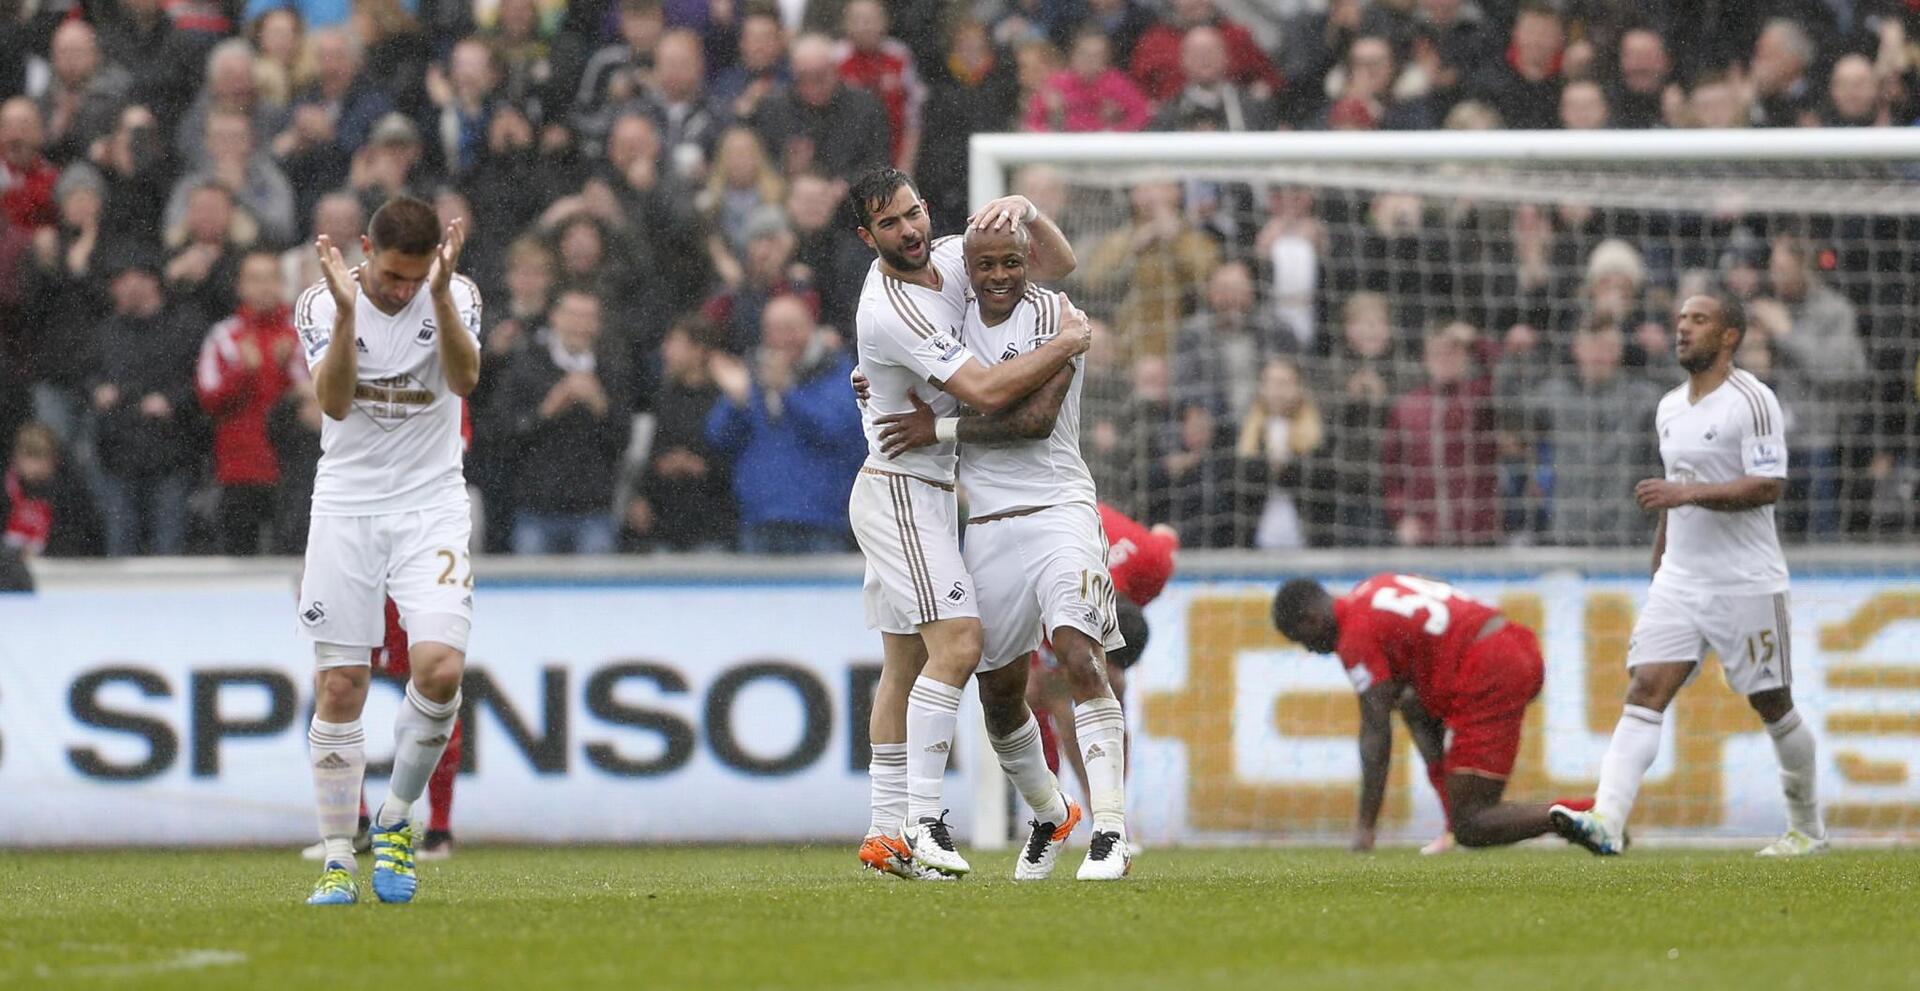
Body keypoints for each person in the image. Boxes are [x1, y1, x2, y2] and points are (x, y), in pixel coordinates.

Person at [844, 166, 1084, 880]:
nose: (910, 231)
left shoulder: (950, 255)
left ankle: (886, 832)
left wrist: (1029, 212)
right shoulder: (891, 307)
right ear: (868, 236)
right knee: (961, 643)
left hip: (926, 485)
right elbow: (982, 389)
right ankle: (923, 822)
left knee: (905, 664)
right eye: (890, 224)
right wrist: (1066, 343)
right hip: (902, 489)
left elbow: (1060, 263)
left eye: (913, 213)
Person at [871, 224, 1130, 880]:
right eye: (985, 264)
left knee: (1077, 651)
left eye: (1011, 262)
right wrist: (870, 378)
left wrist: (944, 424)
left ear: (1028, 261)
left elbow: (1034, 418)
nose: (997, 276)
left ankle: (1112, 832)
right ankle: (1049, 813)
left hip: (1058, 509)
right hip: (985, 522)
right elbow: (904, 364)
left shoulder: (1056, 315)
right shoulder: (949, 318)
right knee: (999, 692)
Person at [1551, 294, 1828, 858]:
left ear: (1730, 336)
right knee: (1644, 690)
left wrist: (1683, 494)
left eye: (1698, 321)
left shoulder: (1753, 401)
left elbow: (1767, 486)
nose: (1683, 329)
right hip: (1681, 579)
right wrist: (1660, 567)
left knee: (1772, 704)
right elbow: (1674, 493)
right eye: (1680, 320)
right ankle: (1607, 818)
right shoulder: (1669, 407)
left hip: (1746, 581)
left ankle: (1807, 829)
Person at [295, 197, 482, 905]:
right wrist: (349, 314)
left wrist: (439, 297)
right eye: (393, 276)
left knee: (439, 669)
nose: (401, 291)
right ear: (366, 248)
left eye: (415, 278)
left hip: (431, 504)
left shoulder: (455, 293)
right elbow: (336, 401)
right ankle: (339, 856)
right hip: (346, 505)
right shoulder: (321, 301)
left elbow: (464, 381)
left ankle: (398, 814)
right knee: (340, 684)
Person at [1271, 574, 1596, 851]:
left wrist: (1365, 828)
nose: (1310, 650)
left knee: (1473, 822)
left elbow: (1375, 734)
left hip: (1488, 668)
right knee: (1412, 704)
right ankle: (1451, 829)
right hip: (1512, 642)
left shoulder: (1355, 637)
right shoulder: (1373, 588)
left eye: (1303, 641)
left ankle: (1596, 814)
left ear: (1310, 620)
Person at [705, 294, 863, 553]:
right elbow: (718, 437)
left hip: (821, 522)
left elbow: (838, 430)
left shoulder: (838, 371)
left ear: (811, 327)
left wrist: (788, 392)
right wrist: (738, 403)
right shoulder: (752, 375)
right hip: (759, 521)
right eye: (772, 330)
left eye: (790, 329)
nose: (781, 339)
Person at [492, 287, 628, 555]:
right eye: (573, 316)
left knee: (597, 595)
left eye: (588, 317)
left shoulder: (613, 369)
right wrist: (547, 410)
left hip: (593, 511)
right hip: (535, 510)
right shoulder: (527, 365)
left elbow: (623, 441)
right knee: (530, 595)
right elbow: (502, 434)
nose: (579, 325)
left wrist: (600, 407)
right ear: (555, 317)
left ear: (598, 324)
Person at [197, 250, 306, 555]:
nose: (264, 288)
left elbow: (322, 398)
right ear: (240, 287)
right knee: (238, 561)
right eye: (255, 280)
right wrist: (242, 372)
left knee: (294, 557)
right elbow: (208, 399)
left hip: (291, 469)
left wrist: (288, 372)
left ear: (283, 284)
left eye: (271, 279)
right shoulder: (224, 336)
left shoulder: (303, 334)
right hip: (239, 469)